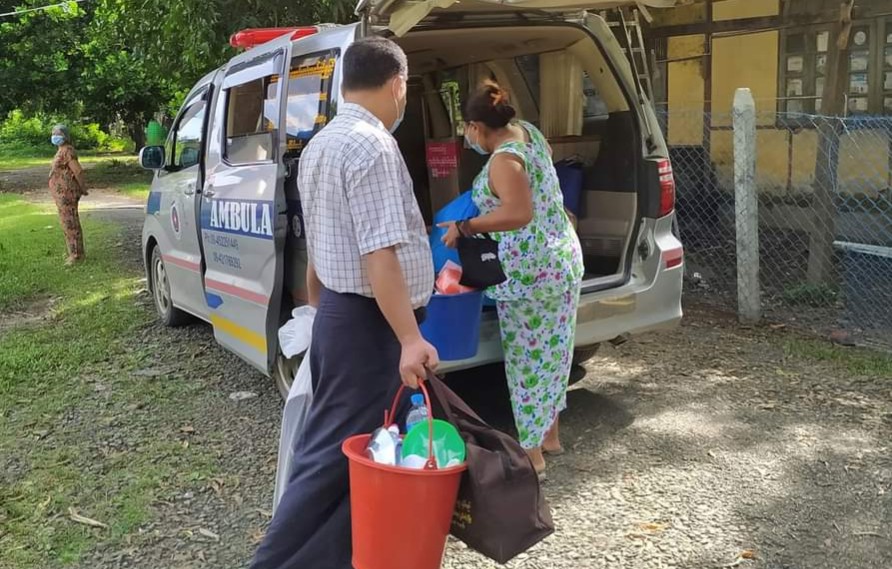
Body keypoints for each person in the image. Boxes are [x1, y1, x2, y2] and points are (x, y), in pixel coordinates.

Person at [250, 37, 438, 569]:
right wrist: (409, 339)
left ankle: (336, 556)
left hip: (340, 314)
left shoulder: (321, 143)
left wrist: (318, 310)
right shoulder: (373, 147)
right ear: (398, 85)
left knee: (360, 446)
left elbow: (321, 243)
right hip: (370, 326)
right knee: (331, 453)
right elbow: (379, 254)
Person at [441, 82, 584, 479]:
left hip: (529, 275)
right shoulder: (529, 133)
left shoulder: (505, 160)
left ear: (475, 126)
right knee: (554, 355)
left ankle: (532, 455)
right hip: (561, 261)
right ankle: (550, 436)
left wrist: (465, 227)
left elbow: (518, 213)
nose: (468, 138)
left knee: (527, 364)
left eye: (467, 130)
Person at [48, 124, 87, 265]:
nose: (55, 136)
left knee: (71, 223)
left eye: (58, 134)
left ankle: (76, 255)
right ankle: (73, 252)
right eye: (53, 133)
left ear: (65, 136)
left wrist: (83, 188)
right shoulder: (61, 150)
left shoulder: (68, 151)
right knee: (66, 223)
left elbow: (78, 171)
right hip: (61, 195)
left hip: (67, 194)